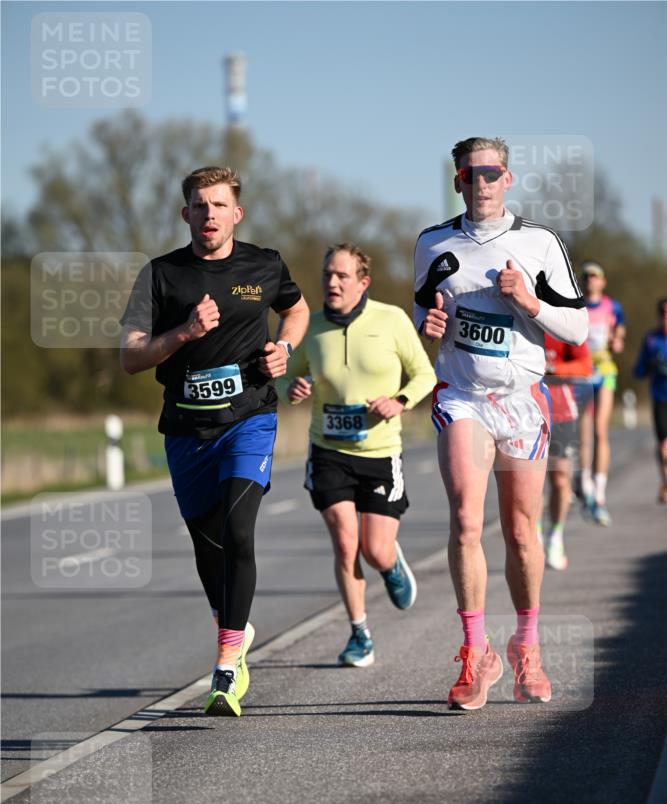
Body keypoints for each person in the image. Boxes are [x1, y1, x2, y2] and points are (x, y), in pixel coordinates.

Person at [120, 166, 309, 717]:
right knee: (209, 550)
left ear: (237, 213)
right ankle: (234, 627)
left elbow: (295, 310)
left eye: (219, 205)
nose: (209, 215)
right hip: (185, 430)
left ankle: (227, 665)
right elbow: (131, 356)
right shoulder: (161, 275)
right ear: (185, 214)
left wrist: (285, 349)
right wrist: (183, 333)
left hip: (249, 418)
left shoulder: (265, 265)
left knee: (238, 525)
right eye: (199, 206)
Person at [415, 136, 588, 711]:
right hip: (463, 396)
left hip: (521, 399)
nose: (481, 181)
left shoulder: (538, 242)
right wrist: (430, 330)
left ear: (507, 178)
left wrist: (530, 302)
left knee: (519, 531)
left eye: (492, 172)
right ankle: (474, 652)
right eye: (470, 173)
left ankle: (527, 646)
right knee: (466, 519)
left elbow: (579, 330)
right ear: (458, 180)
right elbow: (425, 322)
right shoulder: (433, 243)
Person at [276, 243, 435, 666]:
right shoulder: (306, 325)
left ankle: (391, 563)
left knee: (375, 550)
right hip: (328, 451)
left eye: (342, 276)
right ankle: (359, 634)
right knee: (346, 544)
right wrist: (289, 389)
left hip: (380, 452)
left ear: (363, 282)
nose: (331, 282)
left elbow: (425, 374)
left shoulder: (392, 320)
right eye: (328, 273)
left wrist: (399, 401)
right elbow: (280, 376)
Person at [576, 261, 626, 526]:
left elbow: (619, 335)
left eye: (595, 276)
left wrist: (617, 341)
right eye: (586, 276)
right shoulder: (576, 304)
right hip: (582, 372)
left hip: (604, 369)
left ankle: (600, 490)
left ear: (602, 282)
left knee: (600, 430)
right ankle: (584, 482)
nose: (591, 280)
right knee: (583, 431)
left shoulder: (612, 306)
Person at [541, 333, 593, 570]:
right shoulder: (515, 311)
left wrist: (551, 367)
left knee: (561, 479)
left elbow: (585, 366)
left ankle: (555, 535)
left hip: (560, 409)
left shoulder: (562, 318)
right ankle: (532, 531)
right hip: (522, 411)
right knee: (527, 481)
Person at [633, 297, 667, 504]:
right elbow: (639, 370)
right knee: (664, 446)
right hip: (661, 398)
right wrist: (650, 365)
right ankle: (665, 481)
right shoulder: (651, 340)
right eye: (663, 313)